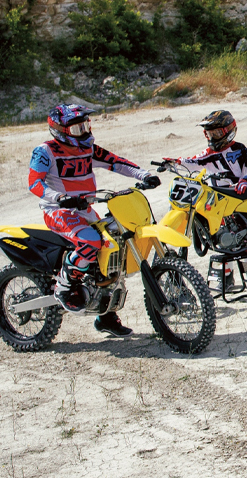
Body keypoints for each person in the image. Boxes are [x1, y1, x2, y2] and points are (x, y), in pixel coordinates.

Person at [29, 104, 160, 335]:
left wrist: (144, 175)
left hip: (85, 209)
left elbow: (116, 162)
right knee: (90, 241)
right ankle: (64, 286)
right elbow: (34, 183)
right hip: (58, 211)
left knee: (114, 249)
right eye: (78, 127)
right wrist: (59, 197)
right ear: (60, 130)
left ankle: (106, 317)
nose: (84, 131)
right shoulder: (44, 151)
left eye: (85, 125)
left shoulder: (87, 150)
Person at [164, 110, 247, 293]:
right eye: (210, 133)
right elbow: (194, 161)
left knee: (244, 238)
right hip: (217, 201)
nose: (213, 137)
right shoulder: (208, 152)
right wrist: (176, 162)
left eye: (217, 133)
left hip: (239, 199)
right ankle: (226, 278)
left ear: (229, 131)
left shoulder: (239, 149)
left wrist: (244, 181)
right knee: (220, 238)